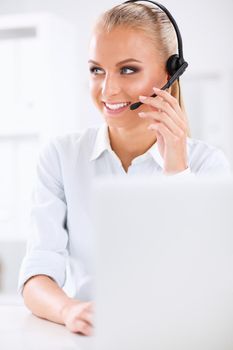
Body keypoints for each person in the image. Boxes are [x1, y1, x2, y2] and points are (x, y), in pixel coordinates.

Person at [18, 1, 231, 337]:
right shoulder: (61, 157)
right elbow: (37, 273)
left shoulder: (208, 166)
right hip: (90, 337)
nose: (108, 90)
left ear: (169, 72)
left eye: (128, 69)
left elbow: (205, 284)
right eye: (96, 70)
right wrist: (70, 310)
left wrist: (177, 171)